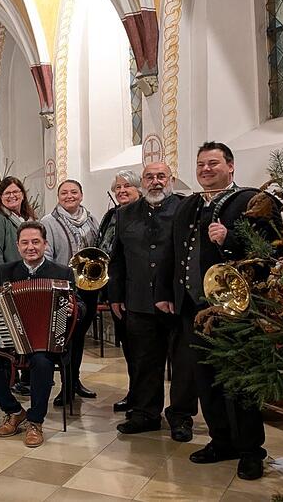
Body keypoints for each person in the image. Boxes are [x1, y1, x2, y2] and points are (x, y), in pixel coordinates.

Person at [156, 142, 282, 480]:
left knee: (239, 380)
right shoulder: (189, 205)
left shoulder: (252, 201)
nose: (205, 169)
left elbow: (272, 250)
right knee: (206, 378)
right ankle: (221, 440)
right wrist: (166, 292)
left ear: (231, 166)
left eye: (213, 163)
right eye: (200, 164)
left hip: (235, 310)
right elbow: (173, 251)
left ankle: (250, 449)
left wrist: (230, 239)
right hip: (194, 310)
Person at [0, 221, 84, 448]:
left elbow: (80, 303)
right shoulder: (6, 271)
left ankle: (35, 421)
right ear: (18, 245)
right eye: (25, 243)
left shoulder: (61, 272)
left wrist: (76, 308)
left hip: (47, 339)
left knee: (42, 362)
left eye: (35, 242)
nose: (30, 247)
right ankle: (14, 411)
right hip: (12, 337)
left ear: (45, 244)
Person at [108, 163, 196, 442]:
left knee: (182, 365)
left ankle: (181, 416)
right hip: (138, 301)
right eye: (150, 177)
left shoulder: (185, 209)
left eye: (161, 177)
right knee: (144, 360)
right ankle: (145, 414)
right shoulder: (124, 214)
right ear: (142, 182)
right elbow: (118, 258)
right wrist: (115, 295)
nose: (155, 182)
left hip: (177, 302)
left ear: (170, 179)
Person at [40, 180, 99, 404]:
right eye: (64, 193)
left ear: (81, 195)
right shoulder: (49, 221)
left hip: (89, 288)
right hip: (64, 289)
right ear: (58, 197)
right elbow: (47, 257)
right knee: (66, 339)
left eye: (74, 192)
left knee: (80, 337)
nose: (69, 196)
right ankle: (66, 386)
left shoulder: (91, 219)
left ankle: (75, 381)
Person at [0, 176, 36, 395]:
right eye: (7, 194)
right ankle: (14, 378)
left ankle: (30, 376)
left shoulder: (26, 217)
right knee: (13, 333)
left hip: (30, 280)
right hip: (11, 282)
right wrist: (3, 282)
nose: (12, 196)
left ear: (22, 194)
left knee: (30, 331)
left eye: (16, 192)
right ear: (0, 198)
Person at [96, 170, 141, 413]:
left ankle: (141, 397)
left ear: (139, 189)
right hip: (115, 291)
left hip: (137, 292)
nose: (122, 191)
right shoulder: (112, 215)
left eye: (127, 187)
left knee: (141, 351)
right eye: (118, 188)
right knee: (128, 348)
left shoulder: (143, 215)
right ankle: (134, 393)